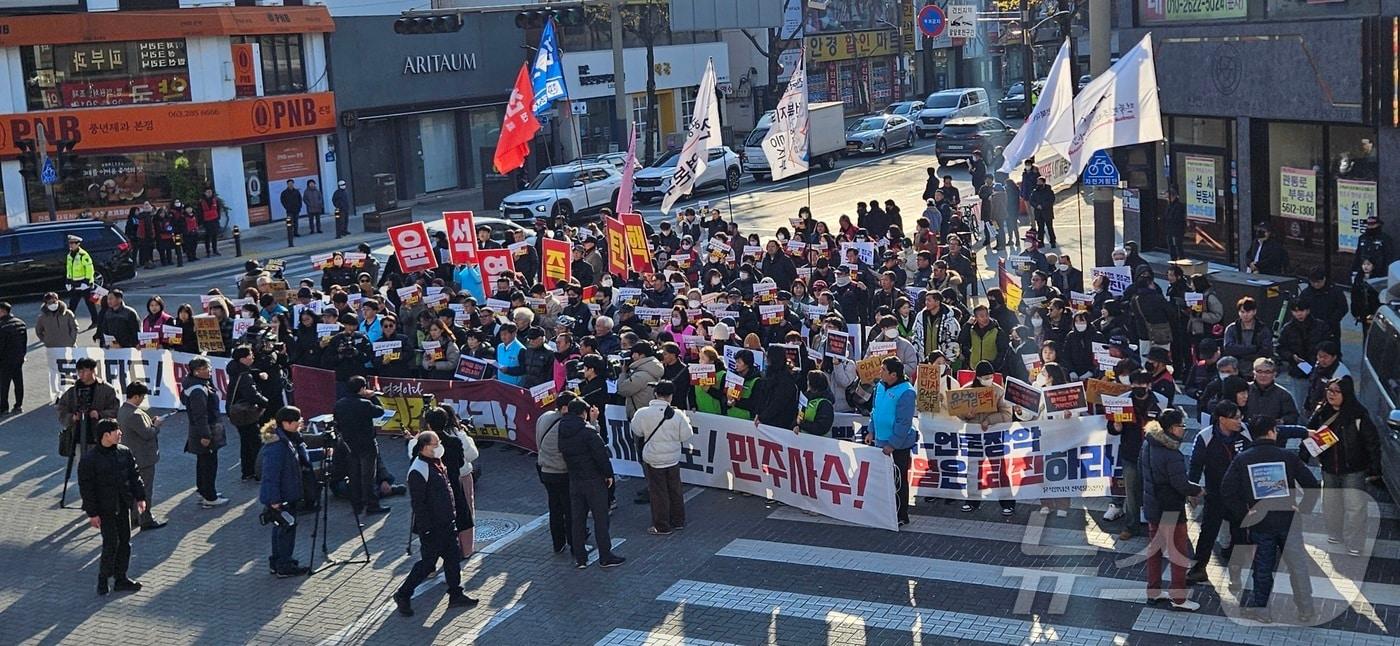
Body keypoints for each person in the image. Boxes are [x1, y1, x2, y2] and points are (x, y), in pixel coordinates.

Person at [1221, 416, 1319, 624]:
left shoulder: (1243, 459)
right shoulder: (1287, 456)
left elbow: (1226, 490)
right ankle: (1306, 610)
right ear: (1273, 431)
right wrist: (1303, 509)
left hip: (1260, 522)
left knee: (1263, 567)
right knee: (1298, 566)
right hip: (1289, 519)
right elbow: (1312, 484)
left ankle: (1262, 610)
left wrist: (1244, 513)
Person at [392, 430, 479, 616]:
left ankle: (456, 594)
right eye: (435, 444)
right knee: (427, 564)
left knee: (453, 559)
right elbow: (419, 504)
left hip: (447, 523)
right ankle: (403, 594)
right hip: (433, 528)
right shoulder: (418, 470)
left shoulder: (435, 463)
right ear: (424, 447)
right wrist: (427, 530)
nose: (439, 447)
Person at [1302, 376, 1380, 557]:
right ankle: (1335, 534)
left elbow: (1372, 442)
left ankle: (1354, 543)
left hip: (1353, 469)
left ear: (1346, 393)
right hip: (1329, 467)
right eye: (1329, 390)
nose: (1331, 395)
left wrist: (1375, 469)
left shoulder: (1358, 414)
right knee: (1331, 504)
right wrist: (1304, 455)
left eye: (1336, 391)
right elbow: (1308, 433)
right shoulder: (1322, 411)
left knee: (1355, 507)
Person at [1139, 409, 1200, 611]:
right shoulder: (1172, 454)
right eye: (1182, 426)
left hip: (1152, 506)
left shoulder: (1148, 443)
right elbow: (1181, 484)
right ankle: (1179, 598)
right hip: (1171, 509)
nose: (1184, 430)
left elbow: (1141, 470)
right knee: (1179, 554)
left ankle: (1153, 592)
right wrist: (1198, 490)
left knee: (1155, 551)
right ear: (1173, 428)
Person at [78, 419, 147, 595]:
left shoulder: (124, 452)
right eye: (116, 431)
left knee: (125, 542)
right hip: (105, 509)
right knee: (110, 544)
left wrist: (140, 497)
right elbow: (87, 489)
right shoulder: (89, 460)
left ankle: (121, 578)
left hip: (122, 506)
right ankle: (103, 579)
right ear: (106, 435)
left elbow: (134, 476)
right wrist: (92, 513)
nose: (120, 433)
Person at [1185, 401, 1250, 587]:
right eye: (1235, 418)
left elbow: (1276, 431)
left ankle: (1235, 576)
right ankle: (1198, 569)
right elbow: (1195, 465)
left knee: (1240, 535)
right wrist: (1193, 489)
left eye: (1240, 417)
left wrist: (1305, 432)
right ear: (1222, 419)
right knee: (1208, 532)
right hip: (1215, 494)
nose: (1240, 421)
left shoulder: (1246, 431)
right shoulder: (1205, 437)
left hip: (1240, 496)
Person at [558, 399, 625, 569]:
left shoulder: (562, 429)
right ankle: (605, 556)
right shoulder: (588, 432)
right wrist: (608, 474)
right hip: (593, 480)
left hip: (574, 479)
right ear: (583, 412)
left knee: (578, 519)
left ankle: (580, 558)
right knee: (600, 519)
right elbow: (601, 455)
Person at [1105, 370, 1164, 539]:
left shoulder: (1160, 402)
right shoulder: (1122, 402)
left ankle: (1156, 526)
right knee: (1131, 493)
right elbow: (1112, 428)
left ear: (1149, 385)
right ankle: (1131, 527)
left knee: (1154, 491)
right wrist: (1116, 426)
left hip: (1153, 454)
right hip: (1130, 453)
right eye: (1135, 384)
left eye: (1142, 384)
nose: (1139, 387)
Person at [631, 381, 695, 536]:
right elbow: (687, 435)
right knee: (675, 489)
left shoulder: (642, 413)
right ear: (671, 396)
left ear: (655, 394)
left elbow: (636, 431)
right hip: (672, 457)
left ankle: (662, 525)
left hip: (652, 458)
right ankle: (678, 521)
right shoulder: (678, 414)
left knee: (658, 492)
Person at [258, 406, 313, 578]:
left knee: (280, 529)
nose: (301, 422)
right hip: (282, 497)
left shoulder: (288, 439)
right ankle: (284, 565)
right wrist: (274, 500)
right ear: (287, 423)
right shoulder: (277, 446)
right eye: (298, 420)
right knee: (286, 530)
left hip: (286, 494)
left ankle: (278, 562)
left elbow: (297, 458)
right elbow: (270, 476)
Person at [867, 357, 918, 526]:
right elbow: (875, 410)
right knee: (883, 479)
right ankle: (884, 512)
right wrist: (871, 430)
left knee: (898, 479)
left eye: (883, 370)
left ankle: (901, 514)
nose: (879, 372)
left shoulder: (906, 392)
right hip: (880, 440)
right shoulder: (880, 386)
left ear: (894, 375)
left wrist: (893, 444)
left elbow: (904, 422)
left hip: (898, 446)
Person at [336, 375, 390, 516]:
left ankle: (357, 505)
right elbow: (380, 411)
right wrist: (372, 397)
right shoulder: (364, 404)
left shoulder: (339, 403)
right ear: (362, 389)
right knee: (368, 476)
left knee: (354, 475)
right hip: (366, 443)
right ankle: (372, 505)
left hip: (349, 443)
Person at [117, 382, 165, 531]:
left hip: (132, 457)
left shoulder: (123, 410)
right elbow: (147, 434)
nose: (143, 399)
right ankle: (146, 519)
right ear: (136, 396)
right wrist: (156, 426)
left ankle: (136, 517)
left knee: (134, 490)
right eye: (142, 396)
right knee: (145, 490)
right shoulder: (135, 414)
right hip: (143, 458)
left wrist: (149, 423)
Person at [57, 357, 121, 469]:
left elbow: (115, 410)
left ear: (93, 370)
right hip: (78, 436)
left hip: (101, 438)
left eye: (84, 371)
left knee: (102, 469)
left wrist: (100, 414)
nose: (81, 374)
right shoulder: (73, 391)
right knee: (83, 470)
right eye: (79, 371)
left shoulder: (106, 389)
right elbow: (61, 409)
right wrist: (72, 417)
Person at [182, 356, 228, 508]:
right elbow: (200, 414)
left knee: (203, 462)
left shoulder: (196, 385)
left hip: (202, 430)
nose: (209, 371)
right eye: (205, 368)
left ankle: (203, 490)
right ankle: (210, 496)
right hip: (206, 431)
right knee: (208, 464)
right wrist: (205, 435)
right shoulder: (198, 390)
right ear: (196, 371)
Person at [535, 392, 575, 554]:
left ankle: (558, 543)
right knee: (570, 509)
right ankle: (575, 543)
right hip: (562, 472)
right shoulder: (565, 424)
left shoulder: (544, 417)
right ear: (565, 407)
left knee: (555, 508)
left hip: (545, 469)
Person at [227, 346, 271, 481]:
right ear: (243, 359)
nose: (253, 357)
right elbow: (252, 395)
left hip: (235, 412)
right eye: (250, 355)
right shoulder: (245, 376)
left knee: (245, 442)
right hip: (246, 413)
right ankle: (259, 472)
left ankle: (247, 472)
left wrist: (257, 374)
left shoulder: (234, 369)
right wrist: (266, 403)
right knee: (256, 443)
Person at [65, 235, 99, 326]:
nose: (71, 245)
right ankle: (68, 322)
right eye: (70, 243)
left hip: (84, 283)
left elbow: (89, 269)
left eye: (73, 243)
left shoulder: (83, 255)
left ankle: (95, 321)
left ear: (78, 244)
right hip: (75, 283)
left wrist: (87, 281)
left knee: (90, 304)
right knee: (72, 304)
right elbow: (69, 268)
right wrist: (68, 281)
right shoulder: (69, 255)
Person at [0, 302, 26, 413]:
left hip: (5, 360)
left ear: (2, 311)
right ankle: (18, 405)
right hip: (18, 359)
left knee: (3, 385)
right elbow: (24, 342)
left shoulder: (2, 326)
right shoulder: (21, 323)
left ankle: (3, 408)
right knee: (18, 382)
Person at [1028, 176, 1057, 247]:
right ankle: (1040, 242)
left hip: (1047, 212)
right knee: (1040, 228)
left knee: (1049, 227)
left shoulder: (1049, 191)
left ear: (1044, 182)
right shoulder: (1035, 191)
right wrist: (1037, 205)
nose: (1038, 183)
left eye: (1040, 182)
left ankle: (1052, 242)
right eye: (1037, 182)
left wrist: (1043, 206)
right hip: (1038, 213)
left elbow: (1051, 200)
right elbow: (1031, 200)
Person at [1163, 188, 1186, 260]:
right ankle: (1173, 260)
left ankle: (1180, 260)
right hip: (1170, 229)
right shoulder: (1169, 205)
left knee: (1178, 246)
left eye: (1167, 197)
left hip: (1176, 230)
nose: (1167, 199)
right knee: (1171, 246)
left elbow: (1177, 218)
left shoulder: (1178, 206)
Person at [199, 187, 222, 256]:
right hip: (206, 221)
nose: (209, 193)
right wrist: (201, 221)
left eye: (210, 192)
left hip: (214, 219)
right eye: (208, 192)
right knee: (207, 236)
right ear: (205, 193)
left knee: (215, 235)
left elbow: (218, 209)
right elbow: (200, 212)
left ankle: (215, 250)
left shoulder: (215, 200)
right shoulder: (201, 202)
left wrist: (218, 217)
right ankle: (208, 251)